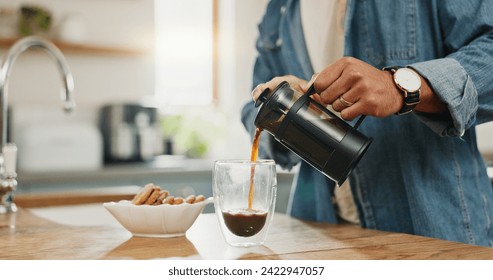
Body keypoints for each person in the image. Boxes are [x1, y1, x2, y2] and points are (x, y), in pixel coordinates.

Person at [241, 0, 493, 247]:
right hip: (322, 230)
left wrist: (400, 86)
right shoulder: (280, 8)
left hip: (432, 230)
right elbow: (253, 105)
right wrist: (286, 113)